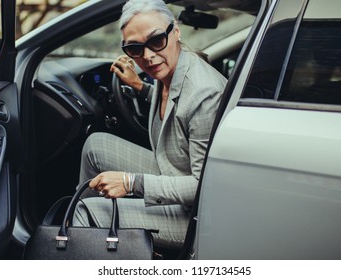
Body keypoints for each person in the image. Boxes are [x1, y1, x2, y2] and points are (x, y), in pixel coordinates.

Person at [73, 0, 227, 249]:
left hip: (198, 216)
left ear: (175, 30)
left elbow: (204, 187)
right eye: (135, 48)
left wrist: (131, 183)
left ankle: (86, 234)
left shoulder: (204, 93)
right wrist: (139, 87)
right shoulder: (171, 69)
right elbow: (174, 107)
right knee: (95, 146)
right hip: (173, 171)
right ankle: (95, 235)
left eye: (156, 40)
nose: (148, 56)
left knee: (86, 211)